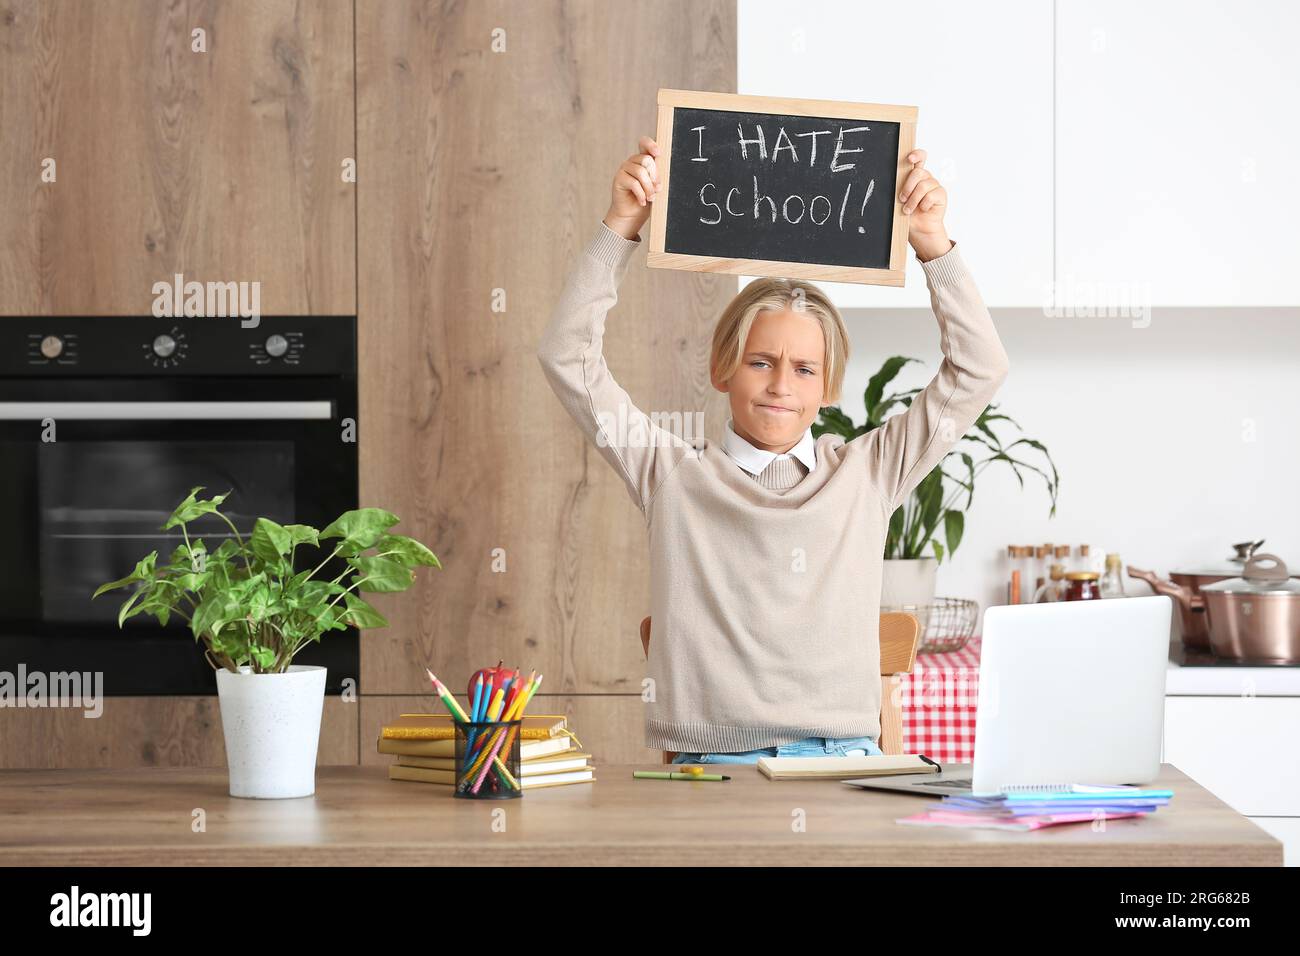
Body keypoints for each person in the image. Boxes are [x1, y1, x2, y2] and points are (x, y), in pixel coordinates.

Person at [537, 135, 1008, 766]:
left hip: (846, 763)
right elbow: (568, 357)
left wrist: (933, 246)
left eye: (805, 369)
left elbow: (979, 369)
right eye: (761, 362)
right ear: (723, 366)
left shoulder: (869, 472)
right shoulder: (671, 473)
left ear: (829, 386)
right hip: (713, 772)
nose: (783, 386)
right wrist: (622, 226)